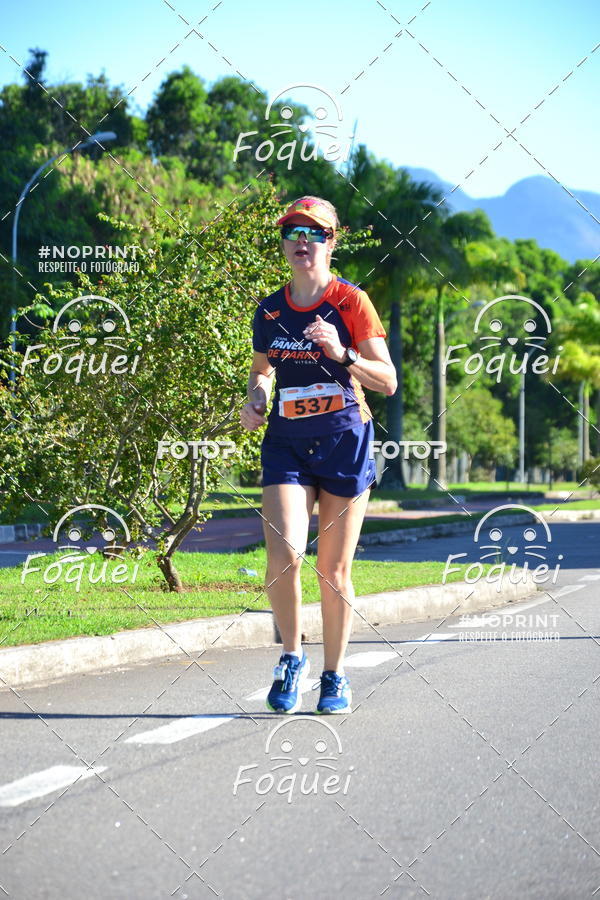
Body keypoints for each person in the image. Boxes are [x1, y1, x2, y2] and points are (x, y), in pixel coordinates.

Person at [240, 196, 397, 714]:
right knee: (284, 556)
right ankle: (291, 657)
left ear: (331, 242)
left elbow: (388, 382)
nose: (302, 241)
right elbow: (262, 369)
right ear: (284, 244)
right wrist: (257, 396)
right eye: (293, 232)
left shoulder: (351, 302)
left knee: (334, 568)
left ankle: (335, 674)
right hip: (286, 441)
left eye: (315, 232)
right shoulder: (269, 308)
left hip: (345, 440)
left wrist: (342, 353)